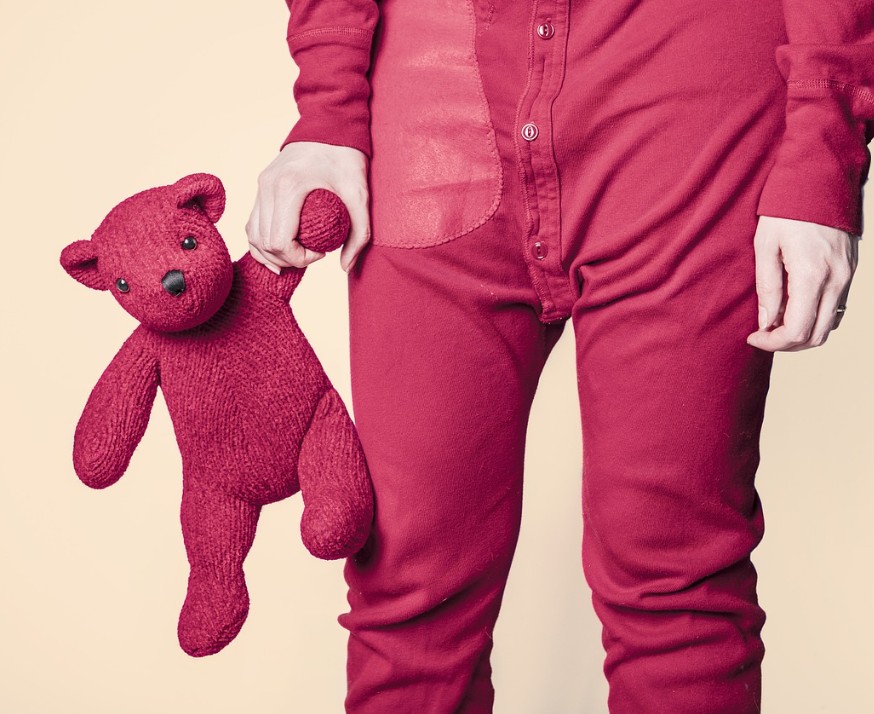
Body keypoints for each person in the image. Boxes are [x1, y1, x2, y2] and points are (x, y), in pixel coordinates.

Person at [246, 1, 871, 712]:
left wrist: (824, 145)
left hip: (691, 93)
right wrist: (328, 105)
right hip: (436, 87)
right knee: (409, 593)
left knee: (677, 582)